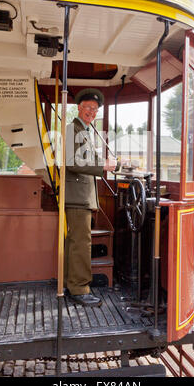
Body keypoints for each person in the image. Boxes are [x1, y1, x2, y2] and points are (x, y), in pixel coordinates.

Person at [64, 88, 118, 307]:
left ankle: (73, 284)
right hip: (77, 197)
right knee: (81, 243)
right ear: (79, 108)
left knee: (77, 243)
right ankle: (79, 289)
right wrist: (103, 165)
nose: (91, 112)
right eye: (88, 107)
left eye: (95, 109)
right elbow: (72, 162)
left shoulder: (84, 131)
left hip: (82, 196)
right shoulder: (72, 129)